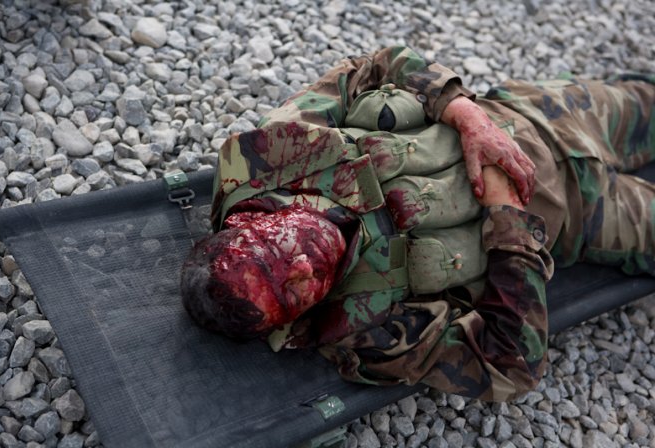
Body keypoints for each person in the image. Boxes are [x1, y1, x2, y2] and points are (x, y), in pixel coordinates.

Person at [181, 46, 655, 401]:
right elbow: (509, 366)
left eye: (277, 260)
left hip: (538, 113)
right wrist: (506, 213)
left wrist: (466, 116)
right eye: (291, 297)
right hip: (584, 213)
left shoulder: (277, 154)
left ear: (249, 220)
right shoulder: (365, 332)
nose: (304, 270)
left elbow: (375, 66)